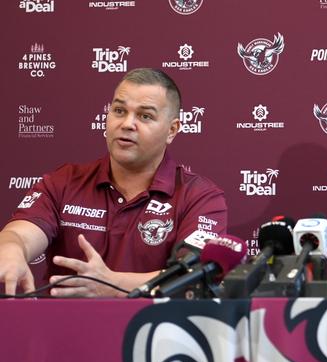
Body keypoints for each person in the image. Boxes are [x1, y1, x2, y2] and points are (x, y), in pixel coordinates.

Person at [0, 68, 227, 297]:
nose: (127, 124)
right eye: (119, 110)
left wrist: (110, 284)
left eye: (145, 116)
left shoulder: (200, 197)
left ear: (172, 130)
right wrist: (11, 250)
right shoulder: (64, 182)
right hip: (61, 330)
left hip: (151, 331)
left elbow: (194, 275)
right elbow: (19, 234)